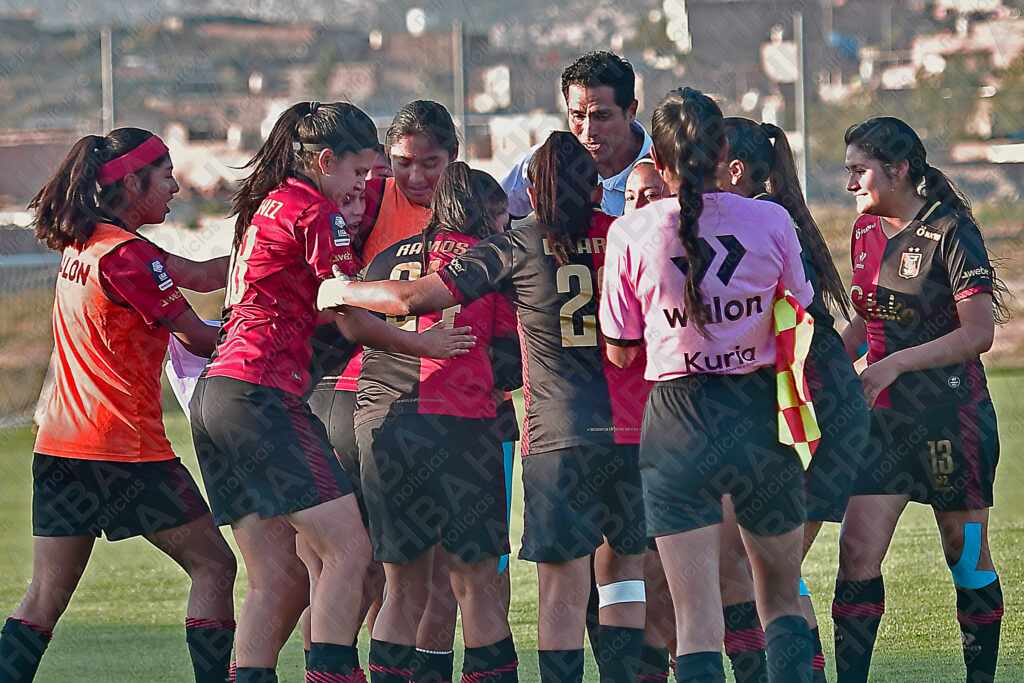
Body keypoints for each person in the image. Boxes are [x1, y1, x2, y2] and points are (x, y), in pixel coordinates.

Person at [317, 131, 650, 683]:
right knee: (606, 576)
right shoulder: (628, 236)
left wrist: (341, 289)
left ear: (534, 189)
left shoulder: (502, 248)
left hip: (431, 424)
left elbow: (401, 303)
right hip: (611, 426)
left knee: (415, 586)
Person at [189, 101, 473, 683]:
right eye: (360, 172)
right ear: (324, 161)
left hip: (215, 397)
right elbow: (344, 310)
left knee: (283, 576)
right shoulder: (314, 210)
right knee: (351, 553)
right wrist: (421, 338)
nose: (365, 186)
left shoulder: (262, 205)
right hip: (259, 395)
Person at [0, 128, 237, 683]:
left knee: (41, 600)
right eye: (167, 174)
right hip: (123, 453)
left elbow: (202, 275)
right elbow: (203, 340)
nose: (176, 185)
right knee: (215, 565)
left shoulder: (89, 243)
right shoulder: (130, 257)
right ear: (133, 182)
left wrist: (268, 249)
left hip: (60, 449)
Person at [599, 87, 815, 683]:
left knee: (697, 621)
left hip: (675, 423)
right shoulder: (771, 218)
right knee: (780, 601)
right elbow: (799, 307)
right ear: (722, 149)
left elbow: (619, 349)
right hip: (756, 415)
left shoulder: (630, 233)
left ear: (659, 163)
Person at [834, 117, 1009, 683]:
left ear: (900, 169)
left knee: (964, 554)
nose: (851, 184)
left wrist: (892, 365)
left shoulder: (952, 231)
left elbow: (978, 333)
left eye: (860, 171)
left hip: (950, 420)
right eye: (848, 172)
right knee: (856, 555)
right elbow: (867, 316)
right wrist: (829, 364)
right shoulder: (864, 234)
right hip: (882, 425)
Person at [309, 99, 469, 681]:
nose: (416, 176)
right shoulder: (366, 200)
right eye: (402, 163)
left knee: (441, 577)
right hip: (367, 397)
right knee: (366, 572)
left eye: (430, 162)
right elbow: (334, 287)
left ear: (454, 155)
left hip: (454, 404)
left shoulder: (476, 208)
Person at [349, 162, 519, 682]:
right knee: (477, 585)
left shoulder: (389, 253)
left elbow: (351, 322)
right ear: (485, 213)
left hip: (384, 422)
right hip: (460, 425)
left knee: (401, 587)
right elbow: (511, 363)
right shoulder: (488, 264)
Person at [715, 117, 870, 683]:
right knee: (771, 573)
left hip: (807, 409)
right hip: (821, 405)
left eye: (704, 158)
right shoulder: (770, 216)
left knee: (748, 571)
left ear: (734, 168)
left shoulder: (753, 222)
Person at [501, 51, 652, 218]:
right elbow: (493, 213)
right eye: (578, 116)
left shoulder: (665, 171)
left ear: (631, 111)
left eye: (602, 116)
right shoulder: (546, 162)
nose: (588, 131)